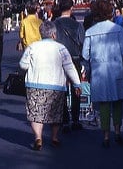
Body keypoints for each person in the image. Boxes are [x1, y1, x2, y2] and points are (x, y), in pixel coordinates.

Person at [20, 20, 82, 151]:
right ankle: (54, 137)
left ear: (41, 34)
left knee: (36, 113)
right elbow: (70, 67)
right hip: (56, 86)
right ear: (54, 34)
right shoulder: (61, 48)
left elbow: (23, 65)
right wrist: (77, 83)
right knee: (55, 113)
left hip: (35, 84)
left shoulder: (32, 47)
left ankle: (38, 137)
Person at [82, 0, 123, 148]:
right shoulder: (117, 29)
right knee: (118, 102)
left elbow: (85, 55)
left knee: (104, 104)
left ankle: (105, 135)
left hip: (99, 72)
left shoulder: (90, 32)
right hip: (116, 70)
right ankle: (117, 132)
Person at [53, 0, 85, 131]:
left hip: (59, 58)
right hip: (75, 58)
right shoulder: (77, 25)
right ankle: (76, 119)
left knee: (62, 89)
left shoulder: (54, 24)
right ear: (71, 9)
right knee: (76, 88)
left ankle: (64, 118)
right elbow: (82, 41)